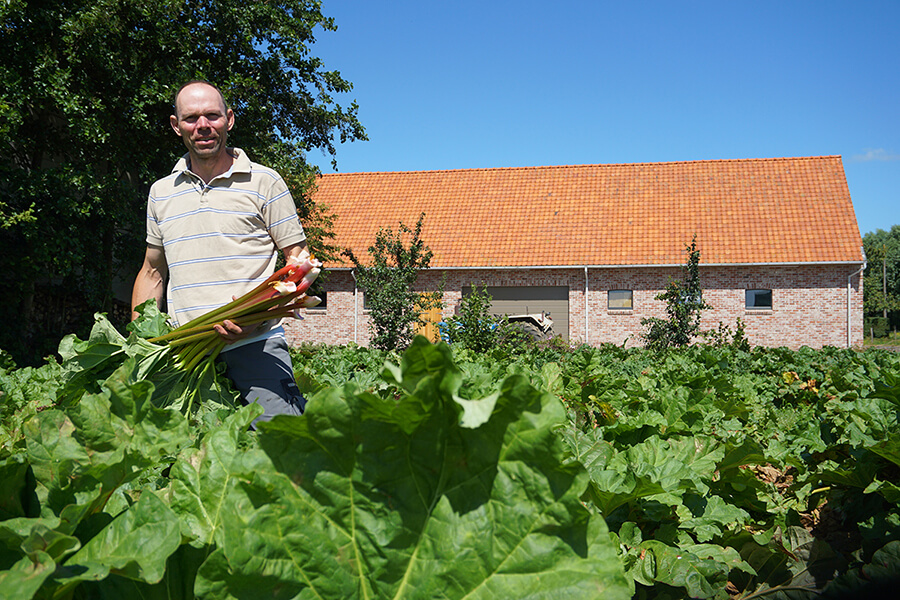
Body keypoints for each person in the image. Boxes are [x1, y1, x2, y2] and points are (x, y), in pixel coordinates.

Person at [131, 80, 308, 423]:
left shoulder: (264, 182)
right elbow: (152, 271)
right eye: (191, 118)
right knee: (178, 458)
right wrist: (140, 341)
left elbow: (297, 260)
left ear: (229, 119)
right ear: (175, 125)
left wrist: (254, 321)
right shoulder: (161, 192)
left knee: (282, 448)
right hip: (183, 354)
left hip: (255, 347)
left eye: (212, 116)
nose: (202, 126)